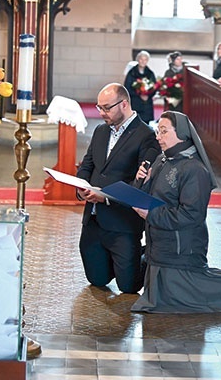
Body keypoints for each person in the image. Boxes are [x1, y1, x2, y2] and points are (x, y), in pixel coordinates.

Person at [130, 111, 221, 313]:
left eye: (164, 132)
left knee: (195, 291)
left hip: (183, 246)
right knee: (165, 298)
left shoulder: (194, 169)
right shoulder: (162, 160)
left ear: (182, 134)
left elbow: (192, 215)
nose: (158, 137)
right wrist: (142, 181)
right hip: (160, 243)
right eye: (158, 131)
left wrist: (152, 215)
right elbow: (146, 198)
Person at [76, 83, 161, 294]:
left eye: (106, 108)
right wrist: (80, 187)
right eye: (99, 108)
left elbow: (140, 185)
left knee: (128, 287)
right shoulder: (100, 131)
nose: (102, 113)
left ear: (124, 104)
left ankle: (147, 253)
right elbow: (87, 165)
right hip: (94, 220)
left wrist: (104, 197)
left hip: (122, 222)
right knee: (98, 279)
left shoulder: (146, 135)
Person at [124, 50, 156, 124]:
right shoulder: (132, 73)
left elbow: (154, 87)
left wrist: (148, 95)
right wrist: (139, 94)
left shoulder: (150, 73)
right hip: (135, 102)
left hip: (146, 103)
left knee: (146, 125)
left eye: (145, 59)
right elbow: (127, 87)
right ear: (138, 59)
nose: (143, 61)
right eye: (141, 59)